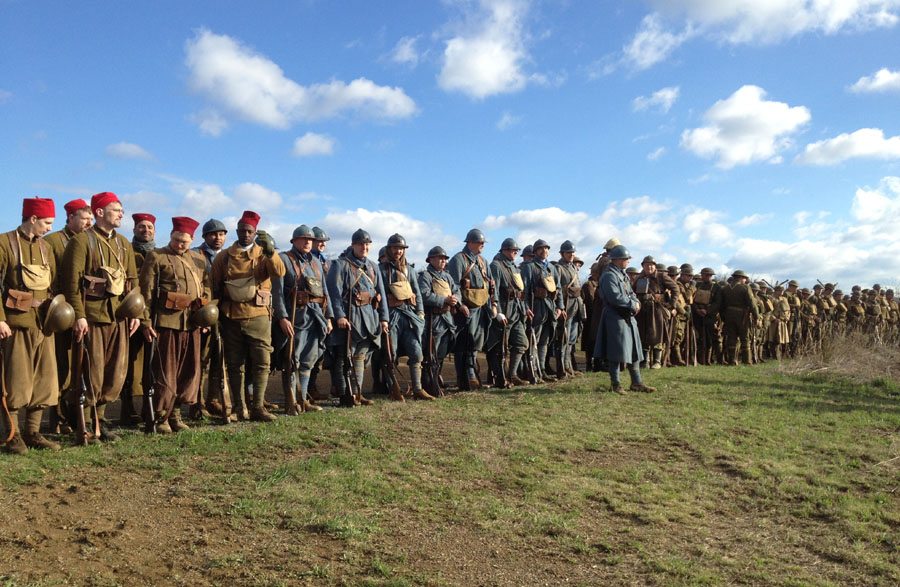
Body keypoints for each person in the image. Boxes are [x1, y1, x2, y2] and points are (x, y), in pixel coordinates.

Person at [60, 192, 141, 442]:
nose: (121, 214)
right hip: (93, 317)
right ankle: (86, 420)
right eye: (116, 210)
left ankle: (101, 418)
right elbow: (71, 282)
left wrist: (138, 313)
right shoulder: (82, 242)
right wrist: (79, 316)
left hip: (118, 317)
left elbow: (133, 281)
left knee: (114, 372)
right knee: (91, 372)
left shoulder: (124, 244)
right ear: (99, 213)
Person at [210, 211, 285, 422]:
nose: (245, 234)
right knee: (235, 364)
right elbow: (214, 285)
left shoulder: (264, 253)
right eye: (242, 231)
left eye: (249, 231)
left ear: (255, 233)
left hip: (259, 315)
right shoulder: (224, 257)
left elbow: (279, 272)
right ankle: (238, 407)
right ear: (236, 232)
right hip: (231, 315)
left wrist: (271, 252)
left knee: (262, 361)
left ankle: (258, 407)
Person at [0, 197, 62, 453]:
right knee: (16, 381)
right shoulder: (4, 243)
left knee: (44, 381)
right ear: (32, 218)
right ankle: (12, 435)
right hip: (16, 323)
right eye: (46, 222)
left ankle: (33, 432)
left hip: (43, 324)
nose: (49, 228)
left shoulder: (45, 248)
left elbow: (53, 286)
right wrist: (1, 319)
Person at [139, 217, 210, 433]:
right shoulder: (157, 256)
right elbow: (146, 292)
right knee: (165, 372)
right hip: (166, 322)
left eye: (184, 242)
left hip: (191, 323)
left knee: (188, 371)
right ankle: (161, 417)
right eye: (177, 240)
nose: (180, 245)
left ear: (192, 240)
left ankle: (176, 415)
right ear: (171, 235)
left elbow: (206, 288)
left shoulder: (198, 259)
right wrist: (145, 321)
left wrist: (205, 315)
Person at [42, 198, 92, 433]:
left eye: (92, 218)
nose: (89, 222)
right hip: (60, 312)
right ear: (71, 217)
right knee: (61, 366)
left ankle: (78, 415)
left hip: (83, 311)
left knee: (80, 366)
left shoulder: (92, 242)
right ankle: (58, 417)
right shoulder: (52, 241)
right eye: (84, 218)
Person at [271, 225, 333, 414]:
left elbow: (325, 291)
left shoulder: (316, 262)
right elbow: (277, 292)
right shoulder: (283, 259)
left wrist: (328, 316)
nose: (308, 242)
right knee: (292, 359)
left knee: (309, 360)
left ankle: (303, 399)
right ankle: (292, 401)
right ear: (294, 241)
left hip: (316, 316)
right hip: (295, 317)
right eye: (303, 239)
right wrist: (282, 317)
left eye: (310, 239)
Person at [325, 229, 389, 407]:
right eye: (361, 244)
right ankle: (346, 394)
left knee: (360, 357)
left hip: (368, 317)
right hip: (349, 318)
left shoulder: (372, 267)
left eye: (367, 244)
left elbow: (380, 294)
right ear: (353, 245)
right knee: (344, 357)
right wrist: (339, 316)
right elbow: (333, 294)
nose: (364, 247)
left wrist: (384, 319)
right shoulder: (340, 265)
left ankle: (357, 393)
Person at [378, 233, 433, 401]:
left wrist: (420, 312)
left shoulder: (409, 270)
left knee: (416, 353)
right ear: (389, 249)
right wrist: (383, 318)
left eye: (401, 248)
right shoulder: (380, 270)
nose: (398, 251)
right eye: (395, 248)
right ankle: (393, 389)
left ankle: (417, 389)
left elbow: (417, 293)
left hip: (409, 316)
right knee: (390, 354)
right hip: (391, 316)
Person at [593, 245, 654, 394]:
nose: (628, 261)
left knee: (634, 348)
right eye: (626, 259)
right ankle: (615, 384)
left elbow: (631, 292)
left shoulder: (623, 275)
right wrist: (632, 304)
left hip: (627, 316)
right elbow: (614, 297)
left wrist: (636, 302)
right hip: (615, 316)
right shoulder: (609, 276)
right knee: (616, 351)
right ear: (618, 260)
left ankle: (637, 382)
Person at [448, 229, 499, 390]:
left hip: (482, 308)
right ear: (470, 243)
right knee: (463, 345)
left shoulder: (483, 261)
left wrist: (494, 304)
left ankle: (472, 375)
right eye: (479, 242)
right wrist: (460, 305)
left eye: (483, 243)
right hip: (465, 310)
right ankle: (463, 377)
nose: (482, 245)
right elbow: (453, 285)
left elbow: (491, 285)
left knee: (476, 343)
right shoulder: (458, 260)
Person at [119, 212, 156, 426]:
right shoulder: (125, 253)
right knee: (128, 363)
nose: (146, 231)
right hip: (130, 316)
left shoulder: (159, 254)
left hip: (152, 316)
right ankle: (127, 407)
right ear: (134, 230)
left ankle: (147, 407)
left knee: (149, 365)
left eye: (150, 227)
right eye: (142, 227)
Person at [191, 218, 228, 420]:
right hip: (204, 313)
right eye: (213, 234)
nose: (218, 238)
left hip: (223, 312)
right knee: (201, 359)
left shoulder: (226, 256)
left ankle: (213, 399)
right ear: (205, 236)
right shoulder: (196, 255)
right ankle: (196, 402)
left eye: (221, 234)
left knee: (219, 357)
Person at [486, 238, 529, 387]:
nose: (516, 252)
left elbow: (519, 290)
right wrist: (496, 310)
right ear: (504, 250)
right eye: (512, 250)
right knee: (499, 347)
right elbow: (493, 290)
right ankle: (500, 377)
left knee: (522, 343)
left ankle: (512, 374)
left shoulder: (514, 267)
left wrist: (525, 308)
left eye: (516, 250)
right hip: (504, 310)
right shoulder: (496, 266)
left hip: (516, 310)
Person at [418, 246, 461, 393]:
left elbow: (456, 290)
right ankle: (428, 382)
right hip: (433, 320)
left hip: (447, 319)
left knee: (442, 352)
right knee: (431, 353)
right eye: (440, 258)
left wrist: (456, 299)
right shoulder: (425, 276)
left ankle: (436, 379)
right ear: (431, 259)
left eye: (444, 258)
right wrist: (444, 300)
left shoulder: (447, 276)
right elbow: (424, 294)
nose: (443, 260)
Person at [523, 239, 564, 381]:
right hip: (537, 308)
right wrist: (526, 308)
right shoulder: (529, 267)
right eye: (540, 249)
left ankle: (542, 371)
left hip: (550, 308)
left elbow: (558, 289)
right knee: (534, 340)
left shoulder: (552, 268)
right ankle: (534, 372)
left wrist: (560, 307)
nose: (544, 251)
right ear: (535, 252)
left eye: (546, 248)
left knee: (544, 342)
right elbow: (525, 291)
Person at [634, 255, 680, 369]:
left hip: (656, 309)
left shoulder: (661, 276)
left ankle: (657, 361)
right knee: (643, 335)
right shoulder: (639, 278)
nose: (649, 267)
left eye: (651, 265)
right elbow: (632, 290)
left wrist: (671, 305)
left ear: (655, 266)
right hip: (642, 309)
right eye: (646, 265)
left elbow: (675, 289)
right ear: (643, 266)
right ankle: (645, 361)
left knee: (657, 334)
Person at [556, 240, 583, 376]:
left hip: (575, 306)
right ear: (562, 253)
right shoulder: (559, 268)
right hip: (567, 306)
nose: (571, 254)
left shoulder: (572, 267)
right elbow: (558, 289)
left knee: (571, 339)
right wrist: (561, 307)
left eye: (572, 252)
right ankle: (563, 367)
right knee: (563, 339)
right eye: (568, 252)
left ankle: (568, 365)